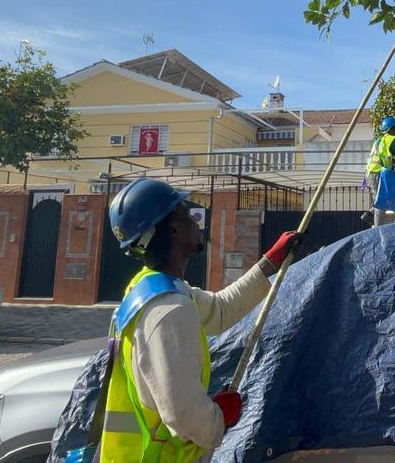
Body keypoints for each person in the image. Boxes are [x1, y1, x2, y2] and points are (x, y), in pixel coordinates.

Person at [99, 178, 300, 463]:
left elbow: (219, 310)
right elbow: (183, 415)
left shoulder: (152, 289)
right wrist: (217, 420)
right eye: (186, 212)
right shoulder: (168, 311)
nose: (196, 220)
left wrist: (269, 262)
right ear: (173, 228)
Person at [364, 115, 395, 226]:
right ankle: (378, 229)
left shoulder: (379, 140)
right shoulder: (393, 140)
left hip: (372, 173)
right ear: (391, 129)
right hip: (378, 174)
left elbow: (385, 158)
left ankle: (370, 213)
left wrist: (394, 162)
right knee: (381, 204)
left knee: (391, 196)